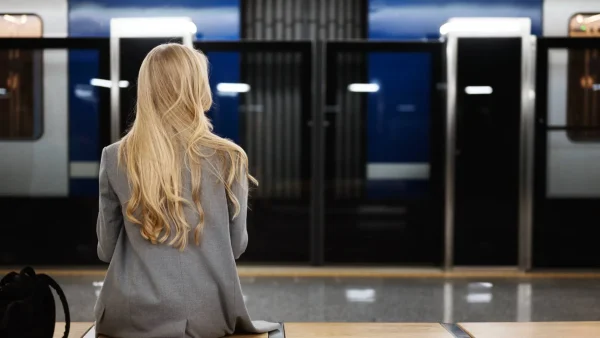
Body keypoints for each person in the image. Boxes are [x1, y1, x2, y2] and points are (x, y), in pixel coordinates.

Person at [94, 43, 278, 338]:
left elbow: (105, 249)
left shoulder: (115, 157)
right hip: (208, 317)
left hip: (129, 318)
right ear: (197, 88)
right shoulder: (229, 157)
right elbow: (236, 246)